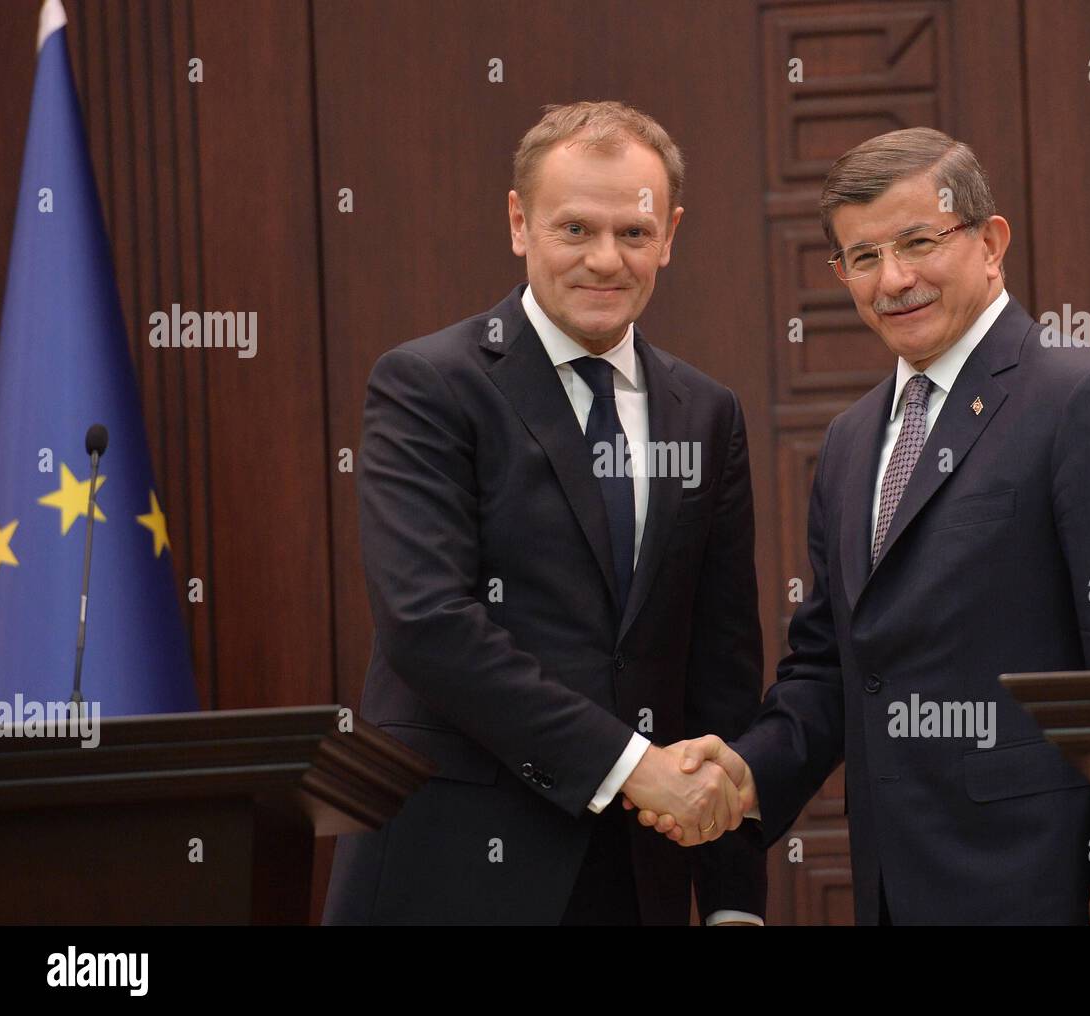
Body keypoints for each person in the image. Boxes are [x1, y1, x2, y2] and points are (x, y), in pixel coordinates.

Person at [636, 126, 1090, 926]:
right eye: (863, 257)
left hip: (1051, 888)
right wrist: (741, 774)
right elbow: (831, 670)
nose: (894, 279)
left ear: (991, 242)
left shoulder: (1089, 400)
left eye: (919, 242)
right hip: (896, 889)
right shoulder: (848, 442)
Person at [323, 101, 766, 925]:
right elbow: (428, 623)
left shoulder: (707, 411)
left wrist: (733, 898)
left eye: (633, 234)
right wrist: (632, 765)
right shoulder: (427, 386)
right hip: (451, 870)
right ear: (520, 223)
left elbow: (722, 663)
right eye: (575, 230)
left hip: (639, 879)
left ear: (669, 234)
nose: (606, 260)